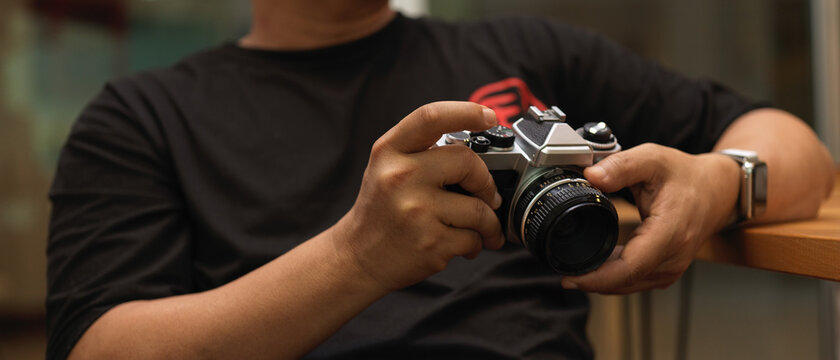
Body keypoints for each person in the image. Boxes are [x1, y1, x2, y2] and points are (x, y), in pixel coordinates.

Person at [46, 1, 835, 359]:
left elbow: (800, 151)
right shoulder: (140, 117)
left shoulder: (528, 50)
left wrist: (716, 182)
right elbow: (100, 347)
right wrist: (358, 259)